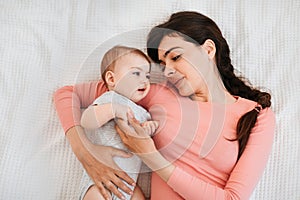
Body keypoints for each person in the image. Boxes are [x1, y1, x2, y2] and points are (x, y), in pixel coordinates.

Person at [54, 11, 275, 200]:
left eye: (176, 57)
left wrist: (151, 156)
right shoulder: (157, 90)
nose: (167, 70)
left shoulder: (256, 115)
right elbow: (67, 95)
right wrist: (85, 151)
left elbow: (233, 198)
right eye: (162, 63)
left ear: (208, 50)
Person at [78, 45, 159, 200]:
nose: (144, 80)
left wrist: (149, 128)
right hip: (100, 181)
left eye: (147, 76)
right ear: (111, 79)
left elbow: (144, 145)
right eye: (136, 73)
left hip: (129, 184)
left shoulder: (143, 113)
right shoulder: (110, 99)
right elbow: (86, 120)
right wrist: (112, 110)